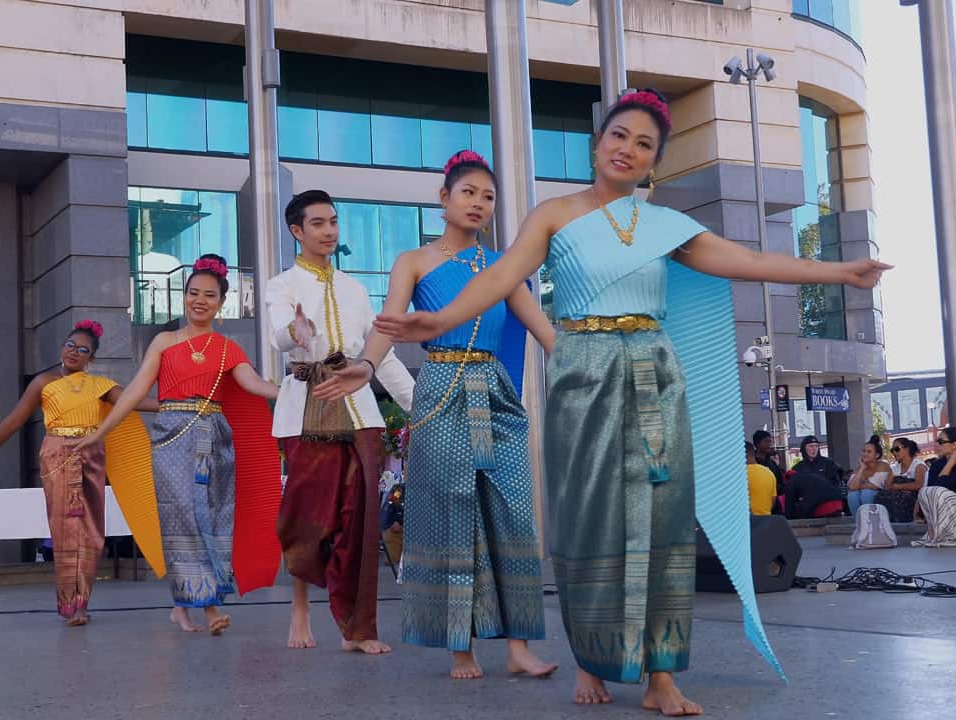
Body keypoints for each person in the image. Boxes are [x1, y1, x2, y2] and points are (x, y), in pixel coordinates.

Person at [375, 88, 887, 714]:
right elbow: (499, 279)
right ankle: (592, 658)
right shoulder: (553, 215)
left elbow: (747, 260)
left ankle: (660, 676)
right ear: (598, 144)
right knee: (591, 516)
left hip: (653, 371)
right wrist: (436, 322)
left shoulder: (665, 227)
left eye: (644, 145)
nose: (628, 149)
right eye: (620, 135)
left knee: (661, 518)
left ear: (653, 165)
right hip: (582, 371)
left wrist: (841, 273)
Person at [341, 150, 559, 677]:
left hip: (497, 390)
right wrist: (367, 364)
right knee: (452, 510)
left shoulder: (505, 265)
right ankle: (460, 646)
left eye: (488, 197)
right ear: (444, 199)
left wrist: (591, 368)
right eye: (469, 193)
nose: (479, 204)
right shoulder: (413, 261)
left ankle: (518, 647)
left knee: (512, 510)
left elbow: (541, 328)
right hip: (440, 386)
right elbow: (388, 324)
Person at [76, 255, 282, 635]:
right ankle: (209, 608)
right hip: (171, 434)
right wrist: (100, 432)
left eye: (209, 295)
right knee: (183, 515)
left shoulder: (226, 348)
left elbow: (253, 385)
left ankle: (182, 604)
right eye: (192, 293)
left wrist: (294, 394)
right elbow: (138, 389)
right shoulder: (164, 341)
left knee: (215, 514)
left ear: (221, 302)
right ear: (183, 296)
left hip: (215, 438)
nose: (199, 300)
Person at [263, 189, 416, 656]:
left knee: (360, 523)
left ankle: (358, 628)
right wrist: (297, 332)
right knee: (307, 519)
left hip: (359, 413)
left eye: (333, 222)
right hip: (306, 411)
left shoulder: (353, 289)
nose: (329, 231)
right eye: (318, 223)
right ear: (296, 231)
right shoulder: (282, 284)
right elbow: (277, 335)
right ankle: (301, 606)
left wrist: (420, 405)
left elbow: (380, 354)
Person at [0, 320, 161, 625]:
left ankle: (82, 602)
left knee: (91, 531)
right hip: (57, 455)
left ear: (92, 357)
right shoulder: (44, 382)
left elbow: (136, 401)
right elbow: (11, 422)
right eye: (70, 345)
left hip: (91, 454)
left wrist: (182, 404)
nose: (74, 352)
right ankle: (70, 605)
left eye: (83, 349)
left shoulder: (101, 386)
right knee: (65, 530)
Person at [876, 438, 928, 522]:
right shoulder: (894, 467)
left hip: (917, 499)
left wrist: (897, 486)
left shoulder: (919, 466)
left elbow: (918, 485)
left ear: (907, 449)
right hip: (897, 496)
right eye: (892, 450)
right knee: (880, 496)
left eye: (897, 449)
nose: (894, 453)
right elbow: (888, 485)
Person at [846, 435, 891, 516]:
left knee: (867, 493)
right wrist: (862, 468)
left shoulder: (883, 466)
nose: (865, 454)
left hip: (885, 500)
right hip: (865, 493)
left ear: (877, 455)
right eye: (864, 451)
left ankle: (871, 522)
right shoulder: (860, 468)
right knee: (852, 495)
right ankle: (859, 524)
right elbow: (852, 488)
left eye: (869, 452)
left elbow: (873, 486)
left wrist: (860, 485)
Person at [746, 441, 776, 516]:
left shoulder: (739, 475)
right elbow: (773, 499)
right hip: (766, 521)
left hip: (748, 523)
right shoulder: (768, 472)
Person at [752, 429, 784, 493]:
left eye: (770, 442)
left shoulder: (772, 464)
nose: (769, 444)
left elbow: (780, 483)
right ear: (757, 443)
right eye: (766, 441)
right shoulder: (751, 462)